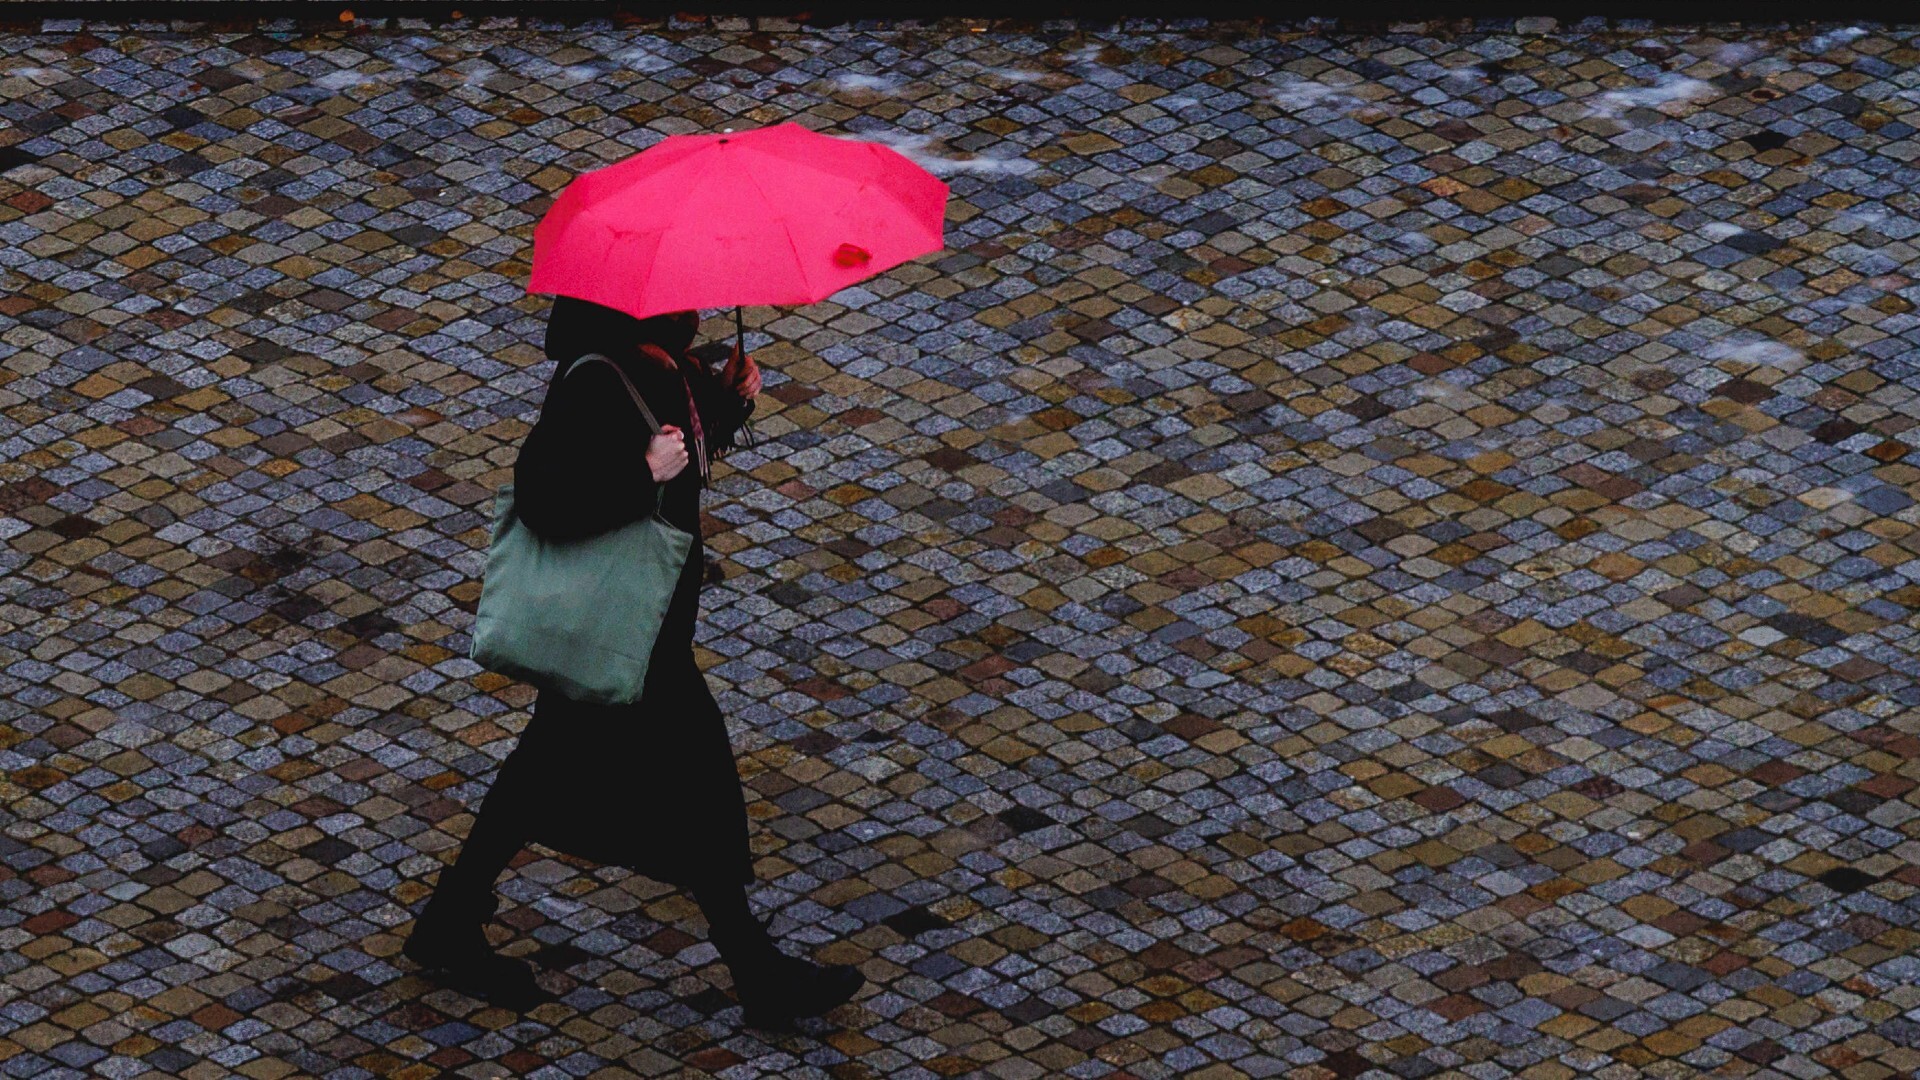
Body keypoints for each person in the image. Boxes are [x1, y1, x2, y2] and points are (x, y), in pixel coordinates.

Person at [404, 297, 864, 1028]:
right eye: (679, 298)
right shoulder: (595, 379)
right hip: (624, 631)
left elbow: (684, 443)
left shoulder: (658, 365)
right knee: (697, 782)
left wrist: (728, 403)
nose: (695, 306)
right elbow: (545, 495)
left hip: (641, 629)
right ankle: (758, 974)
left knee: (539, 773)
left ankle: (449, 923)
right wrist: (640, 473)